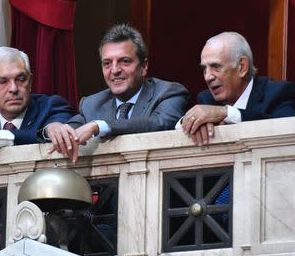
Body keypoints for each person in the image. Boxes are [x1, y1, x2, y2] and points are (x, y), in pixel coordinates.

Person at [45, 24, 190, 163]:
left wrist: (99, 126)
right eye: (107, 63)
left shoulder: (168, 92)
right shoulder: (91, 104)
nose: (114, 70)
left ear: (144, 66)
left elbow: (160, 123)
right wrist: (53, 129)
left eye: (125, 61)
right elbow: (71, 128)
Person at [179, 32, 295, 146]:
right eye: (204, 69)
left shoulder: (279, 92)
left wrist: (226, 113)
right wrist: (193, 122)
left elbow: (287, 128)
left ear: (242, 67)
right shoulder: (206, 99)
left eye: (216, 66)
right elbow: (177, 128)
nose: (208, 77)